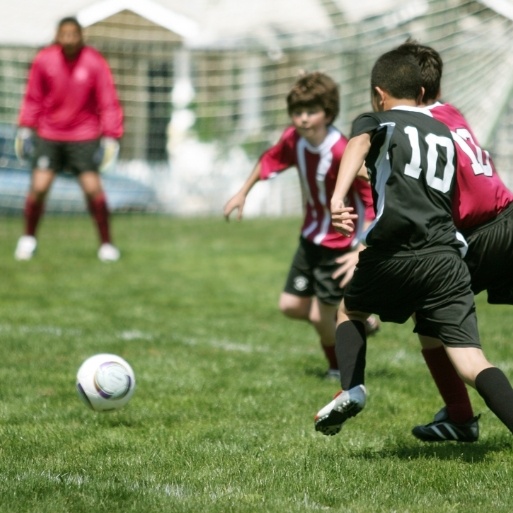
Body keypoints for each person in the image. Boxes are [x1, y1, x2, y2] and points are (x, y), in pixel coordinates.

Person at [313, 49, 513, 439]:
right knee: (471, 360)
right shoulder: (444, 125)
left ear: (378, 94)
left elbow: (358, 146)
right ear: (424, 90)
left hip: (407, 249)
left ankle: (352, 388)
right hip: (449, 252)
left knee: (349, 309)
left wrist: (339, 201)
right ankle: (459, 417)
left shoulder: (379, 121)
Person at [395, 39, 513, 442]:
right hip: (509, 218)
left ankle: (461, 418)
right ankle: (458, 417)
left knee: (455, 344)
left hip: (482, 235)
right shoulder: (450, 110)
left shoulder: (411, 131)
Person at [223, 71, 378, 378]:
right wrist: (242, 192)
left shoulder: (341, 151)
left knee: (321, 316)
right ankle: (355, 321)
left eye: (311, 112)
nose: (303, 119)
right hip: (310, 238)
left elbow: (369, 197)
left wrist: (363, 242)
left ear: (328, 113)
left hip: (338, 243)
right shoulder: (294, 140)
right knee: (291, 305)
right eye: (297, 112)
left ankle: (338, 370)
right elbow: (269, 159)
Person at [14, 16, 123, 262]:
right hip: (49, 135)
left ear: (81, 35)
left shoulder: (94, 62)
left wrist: (111, 136)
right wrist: (25, 128)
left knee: (93, 189)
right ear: (58, 35)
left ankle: (106, 245)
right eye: (65, 34)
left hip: (84, 136)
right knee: (39, 187)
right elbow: (33, 96)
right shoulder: (44, 60)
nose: (70, 39)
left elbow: (108, 101)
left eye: (74, 34)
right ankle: (28, 239)